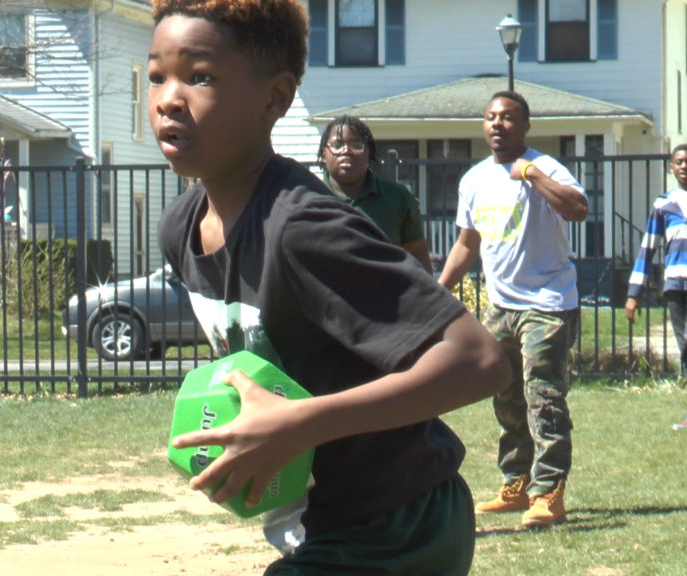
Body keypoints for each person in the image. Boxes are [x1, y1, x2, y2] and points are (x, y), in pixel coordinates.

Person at [150, 1, 510, 573]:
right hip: (323, 522)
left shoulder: (304, 228)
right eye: (157, 76)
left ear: (275, 97)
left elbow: (478, 360)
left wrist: (300, 424)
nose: (169, 98)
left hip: (401, 522)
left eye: (201, 77)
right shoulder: (181, 228)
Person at [438, 90, 589, 529]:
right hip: (501, 306)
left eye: (507, 117)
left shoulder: (547, 167)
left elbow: (578, 209)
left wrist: (531, 175)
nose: (497, 124)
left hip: (547, 303)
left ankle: (548, 492)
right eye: (490, 117)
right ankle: (517, 483)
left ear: (526, 126)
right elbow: (467, 244)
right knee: (505, 394)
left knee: (543, 395)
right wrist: (438, 291)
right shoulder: (474, 180)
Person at [319, 115, 434, 273]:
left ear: (369, 153)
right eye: (337, 145)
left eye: (356, 145)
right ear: (324, 154)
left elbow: (417, 253)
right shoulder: (310, 196)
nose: (346, 151)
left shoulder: (397, 197)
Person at [624, 143, 687, 430]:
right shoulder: (664, 205)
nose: (684, 166)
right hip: (676, 286)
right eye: (679, 162)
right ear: (671, 168)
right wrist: (633, 293)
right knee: (685, 345)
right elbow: (647, 249)